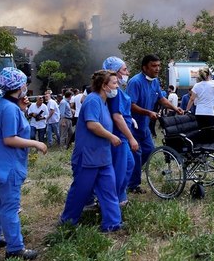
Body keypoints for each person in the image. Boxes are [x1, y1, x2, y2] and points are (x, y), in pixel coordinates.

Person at [0, 67, 47, 260]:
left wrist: (23, 109)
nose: (26, 87)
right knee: (10, 206)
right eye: (25, 84)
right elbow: (9, 138)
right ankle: (15, 248)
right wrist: (36, 143)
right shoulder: (10, 108)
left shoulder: (0, 104)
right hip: (7, 166)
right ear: (19, 86)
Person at [60, 70, 123, 231]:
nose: (117, 86)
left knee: (109, 190)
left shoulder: (103, 102)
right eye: (114, 83)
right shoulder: (93, 101)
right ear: (104, 86)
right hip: (88, 156)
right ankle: (68, 222)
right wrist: (111, 137)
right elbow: (92, 125)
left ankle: (112, 224)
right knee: (81, 191)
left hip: (102, 156)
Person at [126, 54, 183, 194]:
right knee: (136, 154)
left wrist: (175, 108)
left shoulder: (155, 81)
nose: (157, 69)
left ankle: (129, 177)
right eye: (154, 66)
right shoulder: (135, 82)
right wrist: (148, 113)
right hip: (132, 126)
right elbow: (131, 105)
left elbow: (161, 99)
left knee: (149, 151)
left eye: (158, 65)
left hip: (144, 126)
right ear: (145, 67)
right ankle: (132, 185)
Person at [102, 57, 139, 206]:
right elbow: (117, 116)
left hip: (123, 134)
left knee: (128, 165)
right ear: (115, 72)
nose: (127, 72)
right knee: (120, 169)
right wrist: (131, 138)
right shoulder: (115, 93)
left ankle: (120, 196)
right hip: (119, 136)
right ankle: (113, 200)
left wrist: (131, 120)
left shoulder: (119, 91)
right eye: (124, 70)